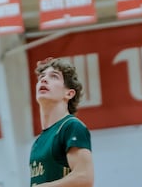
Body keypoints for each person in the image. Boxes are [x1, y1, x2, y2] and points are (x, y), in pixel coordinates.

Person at [29, 57, 93, 186]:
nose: (44, 79)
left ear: (69, 94)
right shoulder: (39, 141)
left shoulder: (71, 126)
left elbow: (84, 178)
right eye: (42, 76)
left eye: (54, 76)